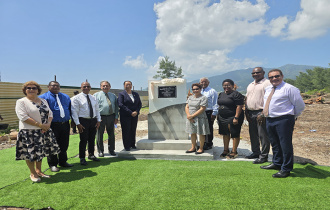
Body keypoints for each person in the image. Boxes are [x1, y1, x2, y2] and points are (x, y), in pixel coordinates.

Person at [258, 69, 305, 178]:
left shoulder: (289, 88)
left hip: (284, 120)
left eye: (276, 76)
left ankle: (286, 168)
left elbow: (300, 105)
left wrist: (293, 116)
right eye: (271, 77)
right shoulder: (269, 89)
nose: (274, 79)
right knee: (275, 143)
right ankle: (277, 163)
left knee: (285, 144)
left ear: (282, 76)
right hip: (270, 119)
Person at [15, 81, 60, 182]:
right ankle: (33, 173)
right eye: (28, 88)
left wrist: (48, 124)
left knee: (40, 152)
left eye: (34, 88)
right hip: (28, 132)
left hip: (43, 131)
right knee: (30, 153)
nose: (31, 90)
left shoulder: (43, 100)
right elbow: (23, 117)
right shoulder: (21, 102)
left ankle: (39, 171)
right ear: (25, 90)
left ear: (38, 90)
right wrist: (40, 125)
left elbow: (50, 113)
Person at [40, 81, 74, 172]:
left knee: (64, 144)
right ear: (48, 87)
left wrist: (72, 121)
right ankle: (53, 164)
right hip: (52, 125)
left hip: (65, 124)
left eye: (57, 86)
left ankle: (63, 162)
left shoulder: (66, 97)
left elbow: (70, 109)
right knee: (52, 144)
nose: (56, 87)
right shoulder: (43, 98)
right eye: (53, 86)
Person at [245, 67, 271, 164]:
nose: (255, 74)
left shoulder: (267, 83)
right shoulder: (250, 84)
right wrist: (246, 112)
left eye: (258, 72)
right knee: (253, 134)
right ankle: (255, 152)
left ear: (263, 73)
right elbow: (247, 99)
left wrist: (263, 113)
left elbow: (269, 99)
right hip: (250, 112)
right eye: (253, 73)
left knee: (263, 135)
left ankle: (264, 156)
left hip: (261, 112)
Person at [71, 82, 101, 165]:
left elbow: (97, 110)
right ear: (81, 87)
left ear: (90, 87)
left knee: (92, 139)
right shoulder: (76, 98)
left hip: (93, 120)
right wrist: (77, 123)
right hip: (83, 121)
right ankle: (82, 157)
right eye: (84, 86)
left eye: (88, 86)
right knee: (83, 140)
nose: (86, 88)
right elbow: (74, 112)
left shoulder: (93, 97)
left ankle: (91, 155)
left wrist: (98, 120)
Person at [217, 79, 244, 159]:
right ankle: (226, 150)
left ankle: (234, 151)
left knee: (234, 134)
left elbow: (239, 106)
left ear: (232, 86)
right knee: (225, 133)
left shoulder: (236, 94)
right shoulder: (221, 94)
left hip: (233, 116)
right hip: (222, 117)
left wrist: (236, 117)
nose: (226, 87)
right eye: (225, 85)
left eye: (228, 85)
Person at [94, 81, 119, 157]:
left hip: (111, 116)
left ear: (110, 87)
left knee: (111, 134)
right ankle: (100, 151)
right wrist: (96, 119)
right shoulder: (96, 95)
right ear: (100, 87)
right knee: (99, 135)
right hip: (100, 117)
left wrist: (116, 117)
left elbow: (116, 107)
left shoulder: (113, 96)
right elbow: (94, 107)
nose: (105, 87)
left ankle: (111, 150)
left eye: (107, 86)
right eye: (103, 86)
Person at [185, 83, 210, 154]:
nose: (195, 90)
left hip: (200, 118)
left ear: (200, 89)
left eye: (197, 89)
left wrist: (192, 116)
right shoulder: (190, 97)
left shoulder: (203, 98)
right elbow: (187, 106)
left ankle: (201, 148)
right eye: (193, 89)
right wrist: (188, 115)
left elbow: (202, 108)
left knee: (201, 133)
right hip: (190, 118)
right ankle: (193, 147)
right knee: (192, 133)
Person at [118, 81, 142, 151]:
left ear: (131, 85)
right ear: (124, 86)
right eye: (126, 85)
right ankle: (127, 146)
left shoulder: (136, 94)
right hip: (125, 116)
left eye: (129, 84)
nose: (128, 86)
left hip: (134, 116)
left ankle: (132, 144)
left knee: (133, 130)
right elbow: (120, 104)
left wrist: (136, 111)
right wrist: (130, 112)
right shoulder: (121, 94)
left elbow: (139, 104)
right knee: (126, 130)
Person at [200, 77, 218, 150]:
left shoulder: (212, 91)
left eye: (205, 82)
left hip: (208, 112)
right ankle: (202, 143)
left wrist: (214, 113)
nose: (203, 83)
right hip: (200, 112)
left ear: (208, 83)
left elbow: (215, 102)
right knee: (201, 128)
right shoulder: (199, 91)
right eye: (202, 82)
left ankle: (209, 143)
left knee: (209, 128)